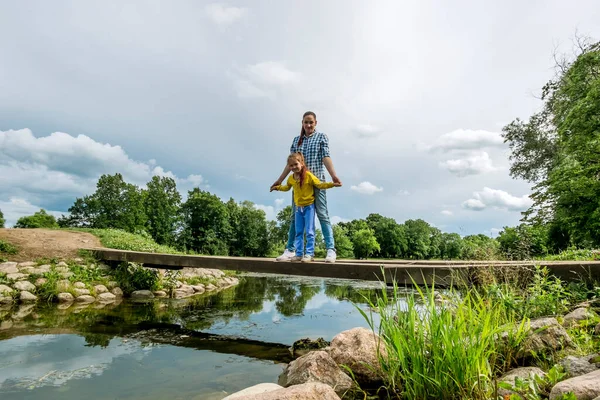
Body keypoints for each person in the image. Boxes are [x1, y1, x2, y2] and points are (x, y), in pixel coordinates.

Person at [270, 111, 342, 263]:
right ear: (302, 123)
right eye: (305, 122)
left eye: (311, 122)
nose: (308, 125)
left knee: (322, 215)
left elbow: (325, 157)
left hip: (317, 181)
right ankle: (290, 250)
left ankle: (330, 249)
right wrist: (279, 180)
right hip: (300, 184)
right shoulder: (297, 141)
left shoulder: (321, 137)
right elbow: (290, 165)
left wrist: (333, 176)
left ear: (316, 123)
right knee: (294, 217)